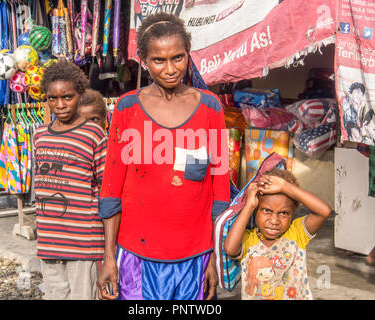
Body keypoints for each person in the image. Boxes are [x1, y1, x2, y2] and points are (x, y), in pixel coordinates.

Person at [97, 12, 230, 300]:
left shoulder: (210, 108)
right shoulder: (127, 107)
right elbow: (111, 188)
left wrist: (215, 258)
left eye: (178, 58)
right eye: (159, 60)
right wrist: (109, 257)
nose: (170, 69)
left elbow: (219, 191)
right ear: (144, 61)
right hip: (136, 256)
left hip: (196, 256)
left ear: (187, 54)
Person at [35, 60, 107, 300]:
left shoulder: (94, 134)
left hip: (83, 243)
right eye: (52, 99)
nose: (60, 105)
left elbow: (105, 190)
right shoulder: (39, 136)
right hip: (49, 242)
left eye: (67, 97)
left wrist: (109, 251)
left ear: (79, 94)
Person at [224, 169, 332, 300]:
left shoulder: (297, 233)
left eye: (283, 213)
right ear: (256, 209)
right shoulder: (248, 239)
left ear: (293, 212)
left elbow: (324, 212)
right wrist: (249, 205)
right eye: (267, 210)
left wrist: (285, 186)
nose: (274, 221)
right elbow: (230, 249)